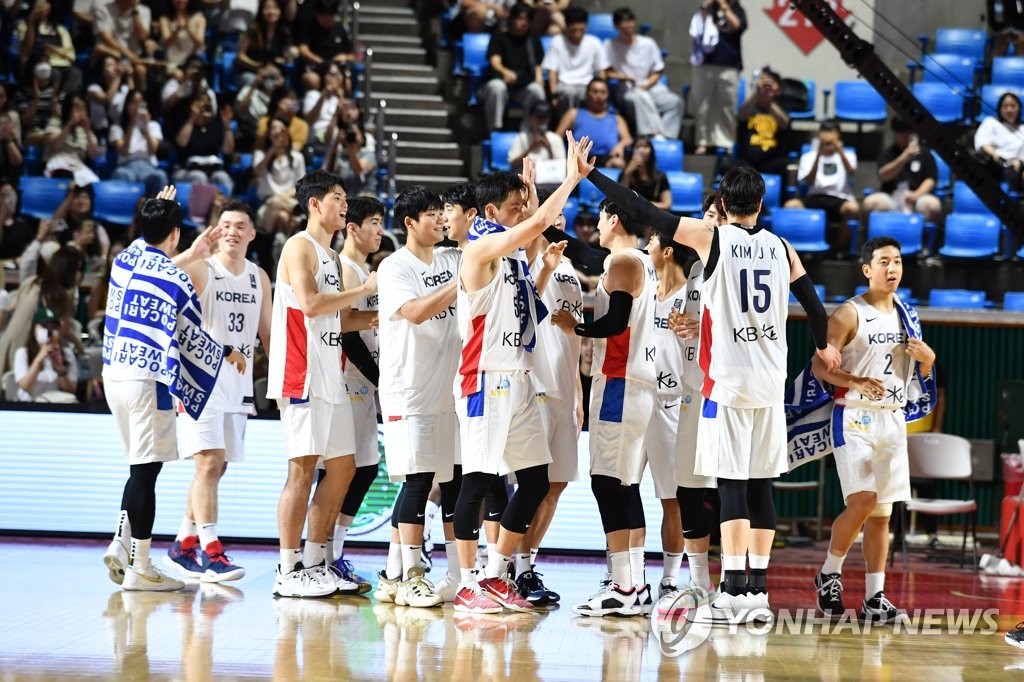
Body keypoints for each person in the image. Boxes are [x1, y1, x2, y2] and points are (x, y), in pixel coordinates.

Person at [577, 164, 840, 624]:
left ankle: (733, 589)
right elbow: (817, 311)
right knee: (762, 485)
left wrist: (592, 175)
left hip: (728, 382)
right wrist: (825, 348)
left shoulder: (711, 237)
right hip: (769, 381)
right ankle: (758, 592)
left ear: (725, 202)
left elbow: (643, 209)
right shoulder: (783, 247)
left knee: (732, 482)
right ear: (761, 203)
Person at [451, 134, 592, 614]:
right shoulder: (478, 253)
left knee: (533, 480)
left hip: (520, 377)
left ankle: (495, 575)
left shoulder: (511, 255)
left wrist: (532, 198)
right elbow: (537, 222)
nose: (522, 214)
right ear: (491, 214)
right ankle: (467, 581)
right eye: (513, 207)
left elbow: (532, 232)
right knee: (476, 480)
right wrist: (571, 178)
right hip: (485, 378)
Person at [101, 186, 246, 592]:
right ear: (176, 234)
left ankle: (120, 542)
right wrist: (230, 352)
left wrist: (162, 213)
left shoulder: (125, 258)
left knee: (137, 466)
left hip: (114, 377)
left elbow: (156, 269)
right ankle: (141, 565)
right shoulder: (175, 282)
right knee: (146, 472)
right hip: (147, 382)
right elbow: (193, 340)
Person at [264, 169, 377, 598]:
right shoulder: (300, 246)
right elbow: (311, 304)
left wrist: (377, 316)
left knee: (344, 468)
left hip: (331, 374)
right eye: (337, 197)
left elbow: (340, 318)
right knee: (302, 469)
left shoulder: (330, 256)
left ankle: (315, 560)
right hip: (302, 373)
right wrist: (364, 288)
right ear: (314, 203)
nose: (344, 204)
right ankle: (288, 567)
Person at [811, 236, 935, 624]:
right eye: (883, 261)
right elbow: (819, 367)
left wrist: (929, 362)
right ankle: (829, 572)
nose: (892, 268)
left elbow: (919, 375)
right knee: (862, 502)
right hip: (854, 415)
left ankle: (874, 598)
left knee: (882, 514)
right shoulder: (849, 314)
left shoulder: (907, 314)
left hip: (891, 418)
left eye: (897, 261)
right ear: (867, 269)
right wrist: (854, 379)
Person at [551, 196, 659, 617]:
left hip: (619, 381)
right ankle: (636, 582)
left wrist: (574, 326)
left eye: (599, 217)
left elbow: (615, 321)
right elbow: (585, 253)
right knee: (626, 485)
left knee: (607, 484)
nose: (594, 225)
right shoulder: (640, 259)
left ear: (613, 219)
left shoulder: (624, 264)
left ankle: (622, 585)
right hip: (636, 384)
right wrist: (541, 219)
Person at [166, 200, 272, 583]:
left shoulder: (259, 276)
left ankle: (183, 543)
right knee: (208, 463)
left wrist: (281, 382)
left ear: (252, 233)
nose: (232, 231)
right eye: (225, 224)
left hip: (238, 384)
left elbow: (269, 334)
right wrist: (191, 252)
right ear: (215, 229)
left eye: (240, 225)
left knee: (217, 467)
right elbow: (155, 275)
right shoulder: (202, 268)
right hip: (200, 380)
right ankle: (212, 551)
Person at [375, 186, 461, 608]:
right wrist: (458, 286)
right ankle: (411, 575)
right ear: (410, 222)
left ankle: (446, 574)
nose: (440, 220)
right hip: (407, 392)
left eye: (442, 212)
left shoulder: (450, 258)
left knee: (450, 483)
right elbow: (414, 312)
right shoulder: (395, 266)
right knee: (418, 481)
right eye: (431, 214)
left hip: (447, 392)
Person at [656, 192, 726, 620]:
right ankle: (700, 582)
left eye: (716, 216)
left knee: (735, 491)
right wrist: (688, 330)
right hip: (690, 394)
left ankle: (742, 583)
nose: (708, 222)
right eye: (706, 215)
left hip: (726, 395)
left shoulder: (733, 270)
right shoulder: (695, 272)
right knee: (688, 491)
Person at [514, 192, 582, 605]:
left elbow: (571, 337)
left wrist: (577, 392)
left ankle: (527, 563)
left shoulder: (569, 265)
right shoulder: (530, 257)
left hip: (564, 388)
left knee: (556, 485)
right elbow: (534, 227)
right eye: (550, 210)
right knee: (530, 485)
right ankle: (509, 567)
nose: (558, 215)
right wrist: (535, 199)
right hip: (536, 386)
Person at [327, 195, 385, 594]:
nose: (381, 231)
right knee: (345, 470)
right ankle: (321, 554)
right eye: (375, 223)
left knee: (363, 469)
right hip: (349, 380)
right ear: (353, 228)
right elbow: (347, 328)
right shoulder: (346, 268)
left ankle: (332, 553)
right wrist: (380, 376)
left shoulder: (364, 269)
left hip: (363, 384)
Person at [605, 6, 683, 140]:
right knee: (638, 98)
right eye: (623, 22)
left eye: (630, 21)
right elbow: (605, 72)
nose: (627, 25)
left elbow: (657, 70)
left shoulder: (648, 43)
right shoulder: (609, 45)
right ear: (616, 25)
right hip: (627, 90)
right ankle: (649, 135)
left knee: (675, 102)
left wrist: (647, 85)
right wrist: (622, 76)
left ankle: (666, 136)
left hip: (650, 87)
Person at [784, 120, 859, 253]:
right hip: (815, 196)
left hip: (839, 197)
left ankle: (838, 249)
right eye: (825, 132)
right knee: (791, 206)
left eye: (832, 133)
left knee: (853, 209)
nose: (828, 136)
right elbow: (808, 181)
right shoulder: (808, 156)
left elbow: (851, 171)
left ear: (839, 135)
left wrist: (839, 149)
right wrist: (819, 154)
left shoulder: (848, 154)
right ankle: (801, 247)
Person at [689, 0, 747, 154]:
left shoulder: (737, 9)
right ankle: (702, 141)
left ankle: (726, 142)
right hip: (705, 64)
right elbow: (696, 28)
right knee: (702, 105)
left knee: (727, 105)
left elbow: (737, 26)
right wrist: (704, 6)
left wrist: (724, 6)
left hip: (729, 65)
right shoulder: (707, 10)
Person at [862, 118, 943, 226]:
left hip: (917, 198)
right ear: (896, 134)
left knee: (932, 205)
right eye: (902, 132)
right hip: (891, 197)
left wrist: (917, 194)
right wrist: (905, 157)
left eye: (909, 131)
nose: (906, 135)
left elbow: (931, 179)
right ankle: (874, 241)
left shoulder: (925, 154)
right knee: (870, 203)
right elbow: (883, 176)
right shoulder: (888, 153)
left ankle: (924, 242)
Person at [480, 2, 546, 132]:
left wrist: (539, 77)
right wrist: (506, 72)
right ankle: (495, 130)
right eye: (519, 18)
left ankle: (530, 132)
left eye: (526, 19)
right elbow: (495, 61)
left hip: (522, 86)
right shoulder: (499, 37)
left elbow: (538, 64)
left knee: (537, 90)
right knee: (497, 87)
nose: (522, 23)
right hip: (501, 81)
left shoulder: (533, 41)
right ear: (511, 18)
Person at [542, 6, 609, 118]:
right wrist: (553, 95)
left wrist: (602, 91)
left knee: (593, 94)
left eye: (580, 23)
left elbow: (601, 70)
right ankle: (567, 131)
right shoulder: (557, 42)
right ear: (567, 26)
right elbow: (552, 71)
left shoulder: (594, 42)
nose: (576, 27)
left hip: (587, 84)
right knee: (568, 93)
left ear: (586, 25)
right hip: (564, 84)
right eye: (572, 24)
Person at [554, 77, 631, 168]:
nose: (599, 96)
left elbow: (628, 139)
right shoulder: (573, 114)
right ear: (587, 94)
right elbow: (556, 138)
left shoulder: (617, 118)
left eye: (603, 92)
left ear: (608, 95)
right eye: (595, 91)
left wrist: (620, 146)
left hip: (608, 159)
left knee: (619, 163)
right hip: (579, 159)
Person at [110, 89, 169, 197]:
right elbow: (123, 151)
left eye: (140, 103)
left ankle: (158, 213)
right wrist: (132, 124)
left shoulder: (153, 125)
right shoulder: (117, 127)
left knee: (160, 176)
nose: (137, 107)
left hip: (148, 167)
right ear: (126, 105)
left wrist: (145, 127)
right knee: (122, 175)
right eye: (133, 102)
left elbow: (152, 150)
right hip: (126, 166)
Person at [732, 67, 790, 176]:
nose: (767, 86)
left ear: (778, 88)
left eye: (771, 83)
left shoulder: (781, 107)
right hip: (747, 160)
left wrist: (769, 99)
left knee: (785, 166)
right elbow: (741, 116)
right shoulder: (750, 105)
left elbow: (784, 124)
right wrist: (757, 92)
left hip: (772, 160)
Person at [13, 307, 78, 402]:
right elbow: (25, 387)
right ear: (33, 330)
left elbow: (71, 390)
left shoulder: (67, 353)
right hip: (28, 404)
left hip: (56, 405)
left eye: (54, 327)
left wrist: (60, 370)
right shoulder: (23, 353)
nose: (49, 330)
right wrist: (40, 358)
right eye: (45, 326)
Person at [236, 0, 295, 89]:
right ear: (261, 11)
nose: (271, 12)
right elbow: (240, 56)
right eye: (267, 8)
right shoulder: (253, 29)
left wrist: (283, 60)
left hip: (272, 72)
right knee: (261, 84)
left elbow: (286, 57)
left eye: (275, 8)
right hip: (251, 71)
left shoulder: (284, 32)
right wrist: (257, 66)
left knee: (281, 85)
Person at [974, 91, 1024, 191]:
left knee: (1012, 174)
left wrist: (1019, 162)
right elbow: (983, 143)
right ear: (1000, 109)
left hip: (1016, 167)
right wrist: (995, 155)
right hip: (995, 163)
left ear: (1019, 108)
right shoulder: (991, 122)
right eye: (1005, 106)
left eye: (1013, 106)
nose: (1009, 110)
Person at [507, 100, 566, 180]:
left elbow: (561, 168)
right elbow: (513, 164)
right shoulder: (521, 138)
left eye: (545, 117)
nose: (542, 121)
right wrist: (531, 147)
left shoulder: (556, 139)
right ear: (531, 118)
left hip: (549, 182)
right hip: (526, 182)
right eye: (538, 117)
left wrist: (549, 148)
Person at [620, 136, 671, 209]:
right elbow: (621, 199)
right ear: (632, 151)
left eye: (645, 146)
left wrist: (643, 205)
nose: (641, 150)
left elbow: (667, 204)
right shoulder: (625, 174)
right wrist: (627, 174)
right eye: (637, 147)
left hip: (653, 216)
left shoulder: (661, 177)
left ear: (651, 151)